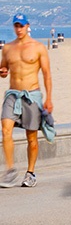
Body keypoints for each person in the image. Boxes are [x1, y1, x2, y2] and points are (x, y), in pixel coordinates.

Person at [0, 14, 53, 188]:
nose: (19, 29)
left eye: (21, 26)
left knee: (31, 138)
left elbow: (46, 74)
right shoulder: (8, 48)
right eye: (16, 26)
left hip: (32, 95)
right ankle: (10, 170)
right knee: (5, 130)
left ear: (27, 26)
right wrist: (3, 72)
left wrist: (49, 98)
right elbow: (3, 69)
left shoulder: (38, 47)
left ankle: (30, 173)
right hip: (13, 94)